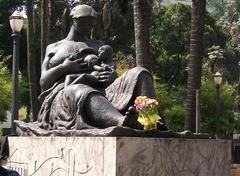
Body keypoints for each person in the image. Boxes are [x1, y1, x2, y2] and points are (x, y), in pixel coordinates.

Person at [38, 4, 166, 130]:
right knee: (81, 90)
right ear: (74, 20)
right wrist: (65, 68)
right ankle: (122, 122)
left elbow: (110, 69)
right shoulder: (54, 47)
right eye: (86, 22)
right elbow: (44, 82)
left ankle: (152, 118)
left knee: (140, 72)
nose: (90, 26)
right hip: (68, 92)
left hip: (102, 90)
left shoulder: (98, 45)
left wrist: (112, 75)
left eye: (92, 22)